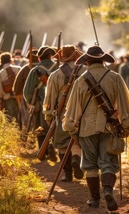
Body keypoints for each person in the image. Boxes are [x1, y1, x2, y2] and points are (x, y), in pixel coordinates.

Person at [63, 46, 129, 211]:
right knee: (108, 163)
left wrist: (72, 128)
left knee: (90, 165)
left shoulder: (81, 80)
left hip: (86, 129)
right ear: (103, 60)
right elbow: (125, 104)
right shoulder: (115, 78)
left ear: (87, 61)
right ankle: (108, 190)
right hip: (109, 128)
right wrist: (126, 126)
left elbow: (73, 109)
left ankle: (94, 199)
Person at [43, 45, 85, 181]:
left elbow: (50, 98)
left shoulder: (55, 75)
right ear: (75, 56)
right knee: (78, 142)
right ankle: (76, 159)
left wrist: (49, 115)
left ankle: (68, 175)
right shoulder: (85, 71)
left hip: (62, 113)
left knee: (62, 144)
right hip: (84, 113)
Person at [23, 46, 58, 160]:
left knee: (41, 127)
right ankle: (52, 147)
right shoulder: (58, 68)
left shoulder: (34, 70)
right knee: (55, 126)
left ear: (39, 58)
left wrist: (34, 102)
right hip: (58, 102)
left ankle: (44, 152)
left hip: (42, 102)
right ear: (50, 56)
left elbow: (27, 91)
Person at [0, 52, 21, 121]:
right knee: (20, 119)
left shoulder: (0, 73)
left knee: (9, 120)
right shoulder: (19, 69)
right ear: (10, 59)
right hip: (20, 98)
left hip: (7, 99)